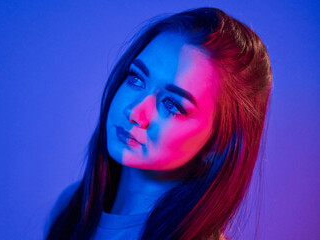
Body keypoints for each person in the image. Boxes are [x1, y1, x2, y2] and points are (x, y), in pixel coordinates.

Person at [45, 7, 272, 240]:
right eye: (136, 78)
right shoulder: (71, 208)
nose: (134, 111)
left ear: (218, 145)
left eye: (173, 104)